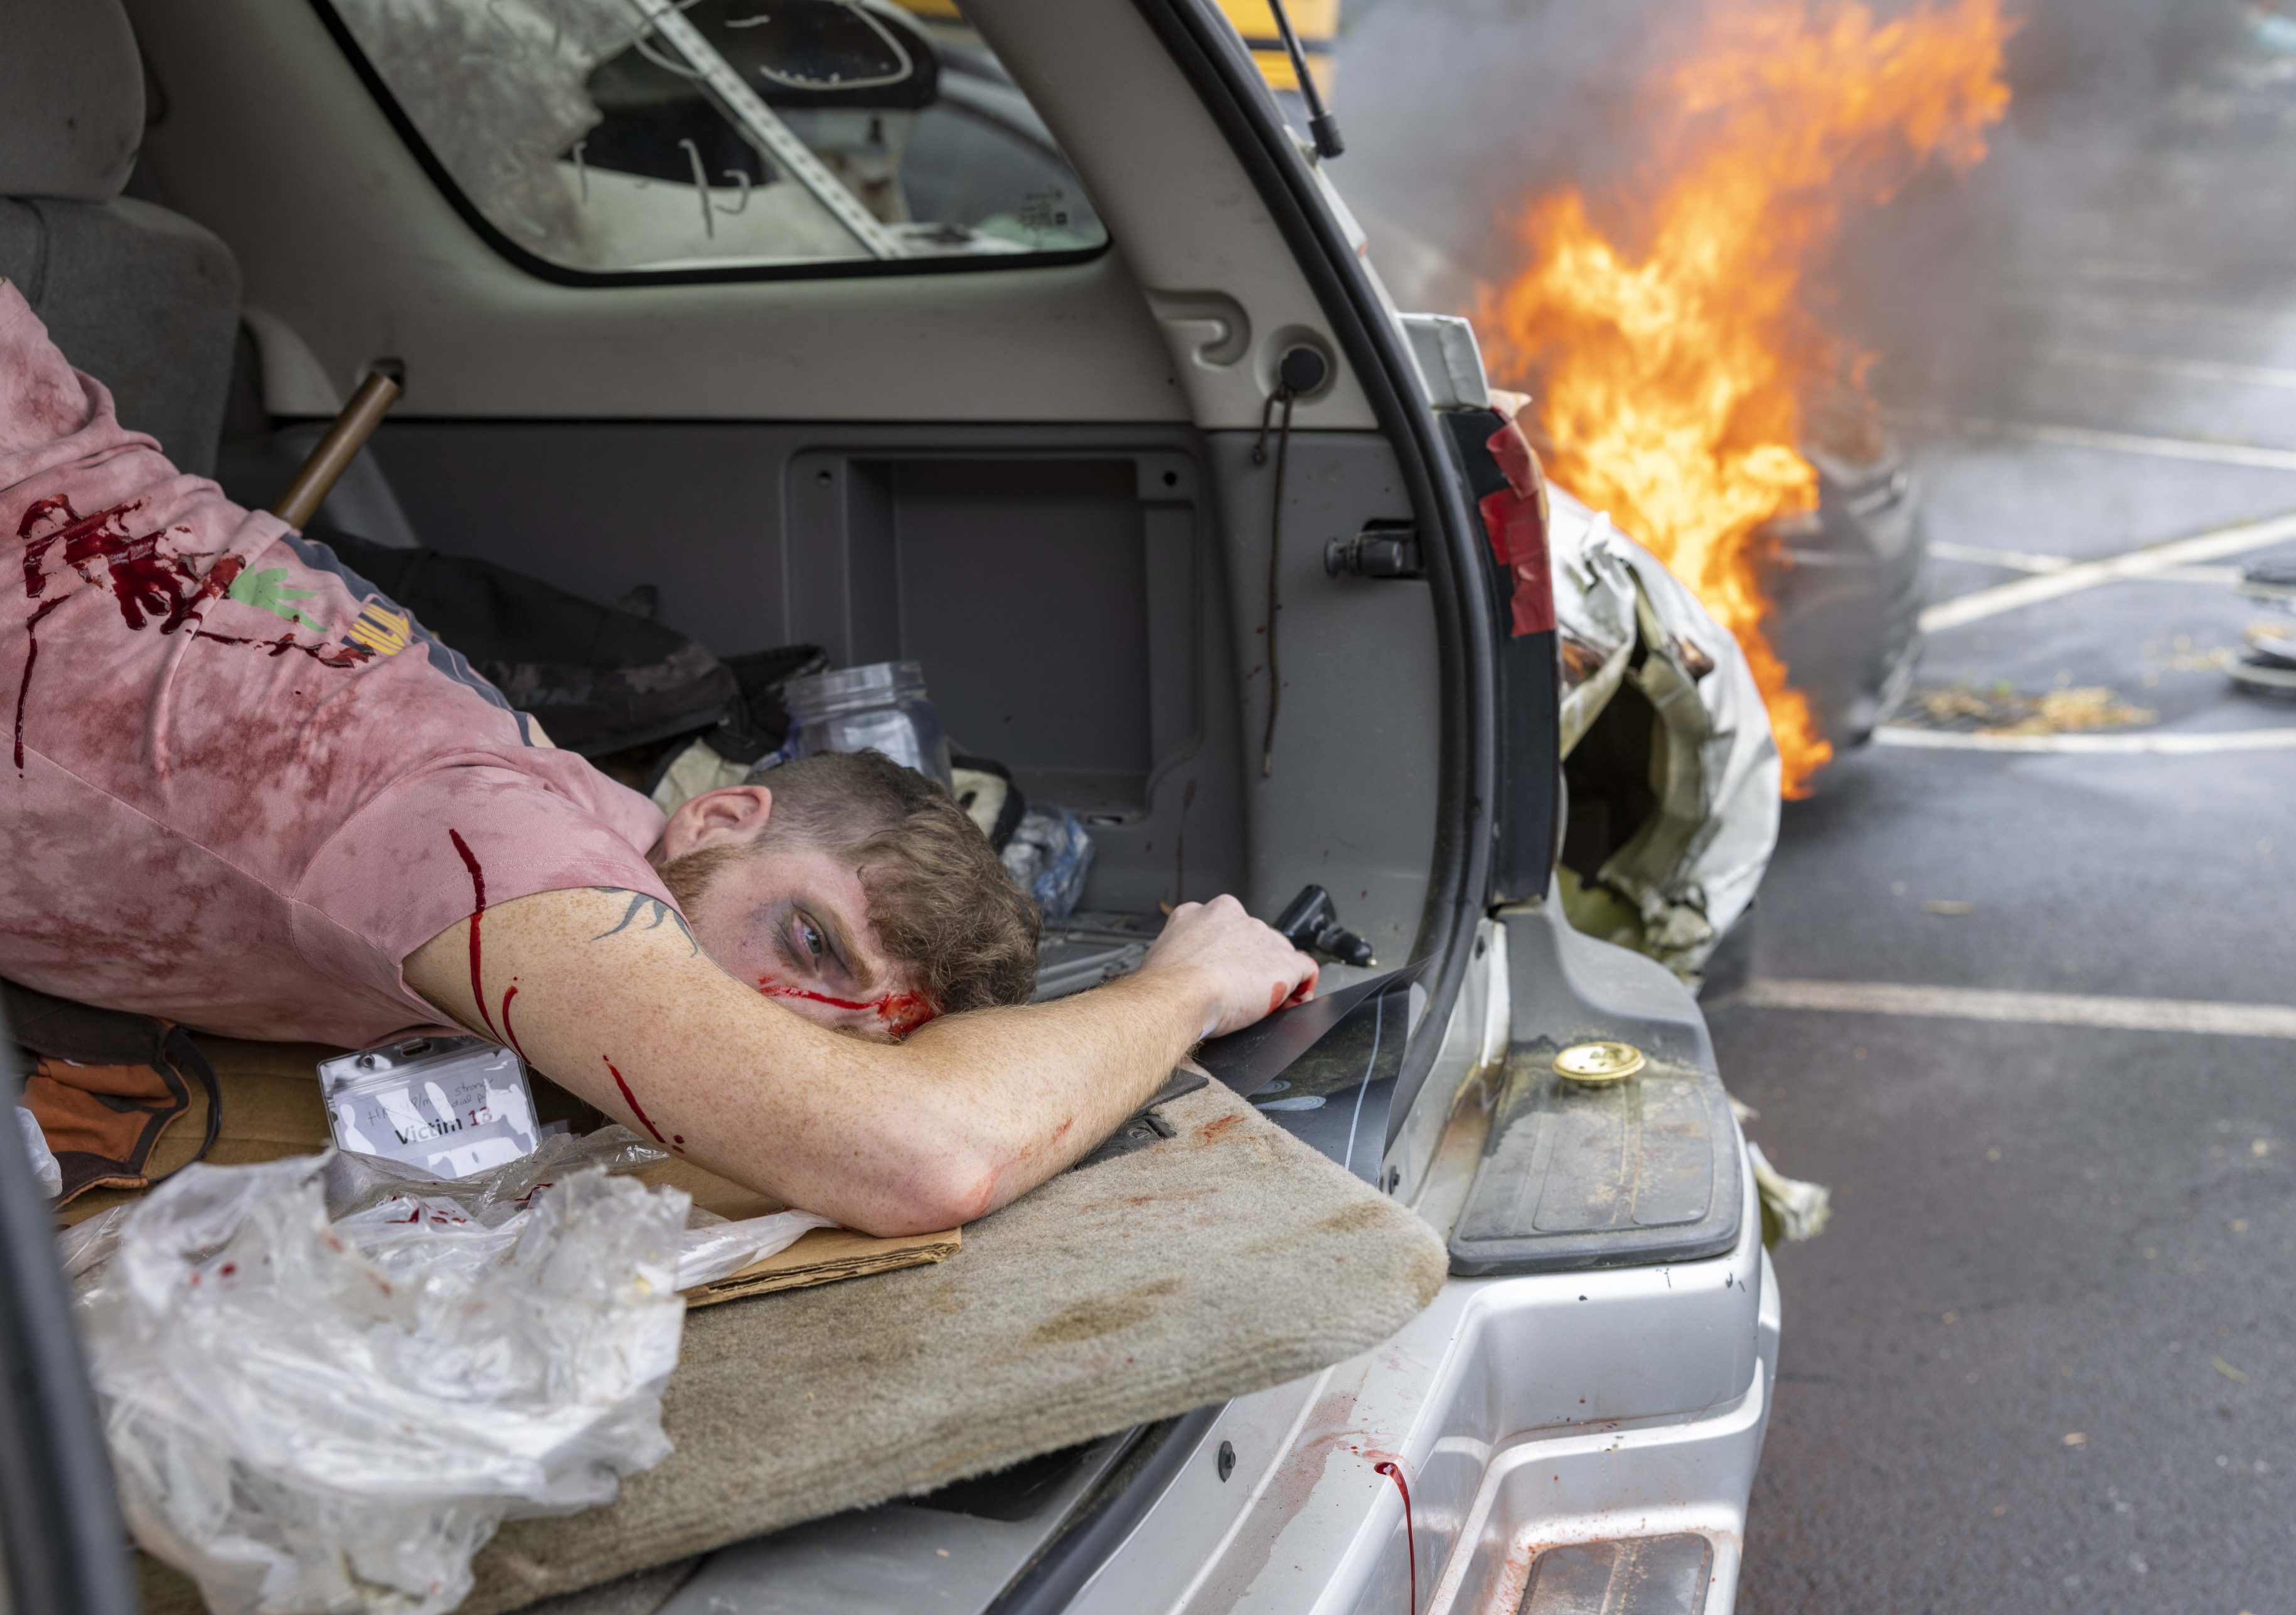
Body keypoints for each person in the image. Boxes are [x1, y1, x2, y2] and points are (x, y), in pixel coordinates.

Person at [0, 282, 1316, 1236]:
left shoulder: (557, 804)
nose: (777, 1020)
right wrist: (1183, 986)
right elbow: (922, 1155)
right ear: (722, 814)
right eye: (807, 944)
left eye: (846, 1023)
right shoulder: (504, 851)